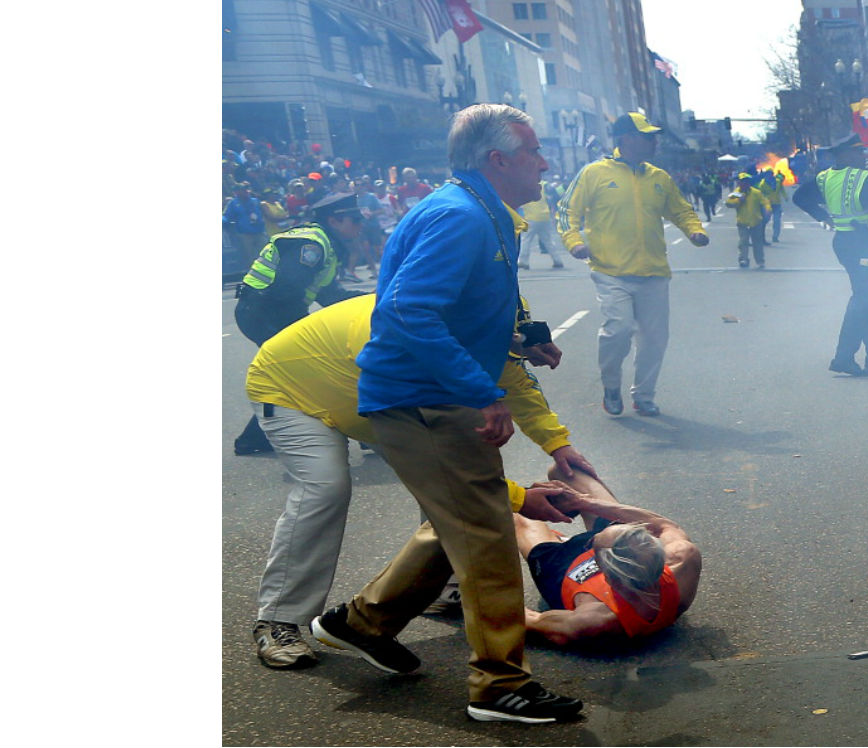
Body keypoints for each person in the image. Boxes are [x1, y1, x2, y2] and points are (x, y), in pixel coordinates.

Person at [309, 104, 583, 724]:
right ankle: (499, 685)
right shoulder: (459, 216)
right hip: (425, 400)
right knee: (485, 535)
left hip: (430, 394)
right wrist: (482, 393)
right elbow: (408, 311)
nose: (544, 162)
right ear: (498, 160)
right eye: (534, 151)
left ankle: (362, 623)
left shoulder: (486, 213)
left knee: (456, 520)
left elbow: (472, 303)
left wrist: (524, 338)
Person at [246, 292, 597, 669]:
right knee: (326, 489)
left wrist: (558, 445)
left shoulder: (477, 315)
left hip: (363, 396)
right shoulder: (408, 343)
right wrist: (518, 498)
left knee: (443, 490)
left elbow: (514, 380)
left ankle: (441, 588)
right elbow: (444, 460)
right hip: (290, 389)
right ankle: (279, 620)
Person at [556, 112, 709, 418]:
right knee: (618, 330)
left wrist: (695, 230)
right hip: (610, 271)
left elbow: (680, 210)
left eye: (654, 136)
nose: (654, 141)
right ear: (625, 139)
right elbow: (566, 211)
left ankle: (644, 395)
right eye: (647, 136)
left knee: (654, 338)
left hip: (653, 272)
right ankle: (611, 386)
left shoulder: (659, 177)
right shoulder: (594, 173)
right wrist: (573, 242)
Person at [232, 192, 367, 455]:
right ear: (335, 220)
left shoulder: (324, 244)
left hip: (266, 311)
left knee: (287, 374)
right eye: (355, 219)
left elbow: (331, 296)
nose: (360, 226)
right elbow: (286, 289)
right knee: (304, 368)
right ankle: (363, 431)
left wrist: (374, 297)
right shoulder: (312, 244)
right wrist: (307, 329)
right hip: (263, 312)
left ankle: (254, 440)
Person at [514, 466, 701, 645]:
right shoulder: (683, 558)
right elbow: (662, 524)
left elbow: (528, 620)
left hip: (563, 569)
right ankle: (607, 525)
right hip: (614, 549)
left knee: (510, 510)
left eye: (594, 542)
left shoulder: (593, 621)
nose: (592, 537)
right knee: (564, 469)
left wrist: (517, 498)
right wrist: (582, 501)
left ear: (609, 579)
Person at [792, 133, 868, 377]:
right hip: (860, 244)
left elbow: (799, 197)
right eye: (859, 153)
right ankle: (843, 357)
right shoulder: (865, 178)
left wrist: (822, 216)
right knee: (863, 298)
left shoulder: (825, 177)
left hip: (842, 242)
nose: (863, 157)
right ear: (847, 155)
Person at [725, 172, 771, 269]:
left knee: (757, 243)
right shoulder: (736, 193)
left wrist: (767, 209)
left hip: (756, 221)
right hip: (742, 222)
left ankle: (760, 261)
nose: (744, 184)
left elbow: (765, 202)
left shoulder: (756, 192)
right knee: (743, 242)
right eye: (742, 182)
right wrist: (739, 200)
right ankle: (743, 259)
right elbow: (729, 203)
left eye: (746, 182)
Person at [518, 182, 565, 270]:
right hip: (544, 216)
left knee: (526, 240)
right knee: (548, 240)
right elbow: (551, 197)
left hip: (531, 217)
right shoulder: (543, 184)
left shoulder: (523, 185)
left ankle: (523, 261)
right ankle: (557, 260)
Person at [223, 182, 268, 270]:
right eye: (242, 190)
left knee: (264, 253)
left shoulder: (255, 201)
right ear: (236, 192)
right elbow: (227, 216)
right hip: (245, 234)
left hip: (259, 231)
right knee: (249, 256)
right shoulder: (233, 203)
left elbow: (262, 213)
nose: (245, 192)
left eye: (246, 189)